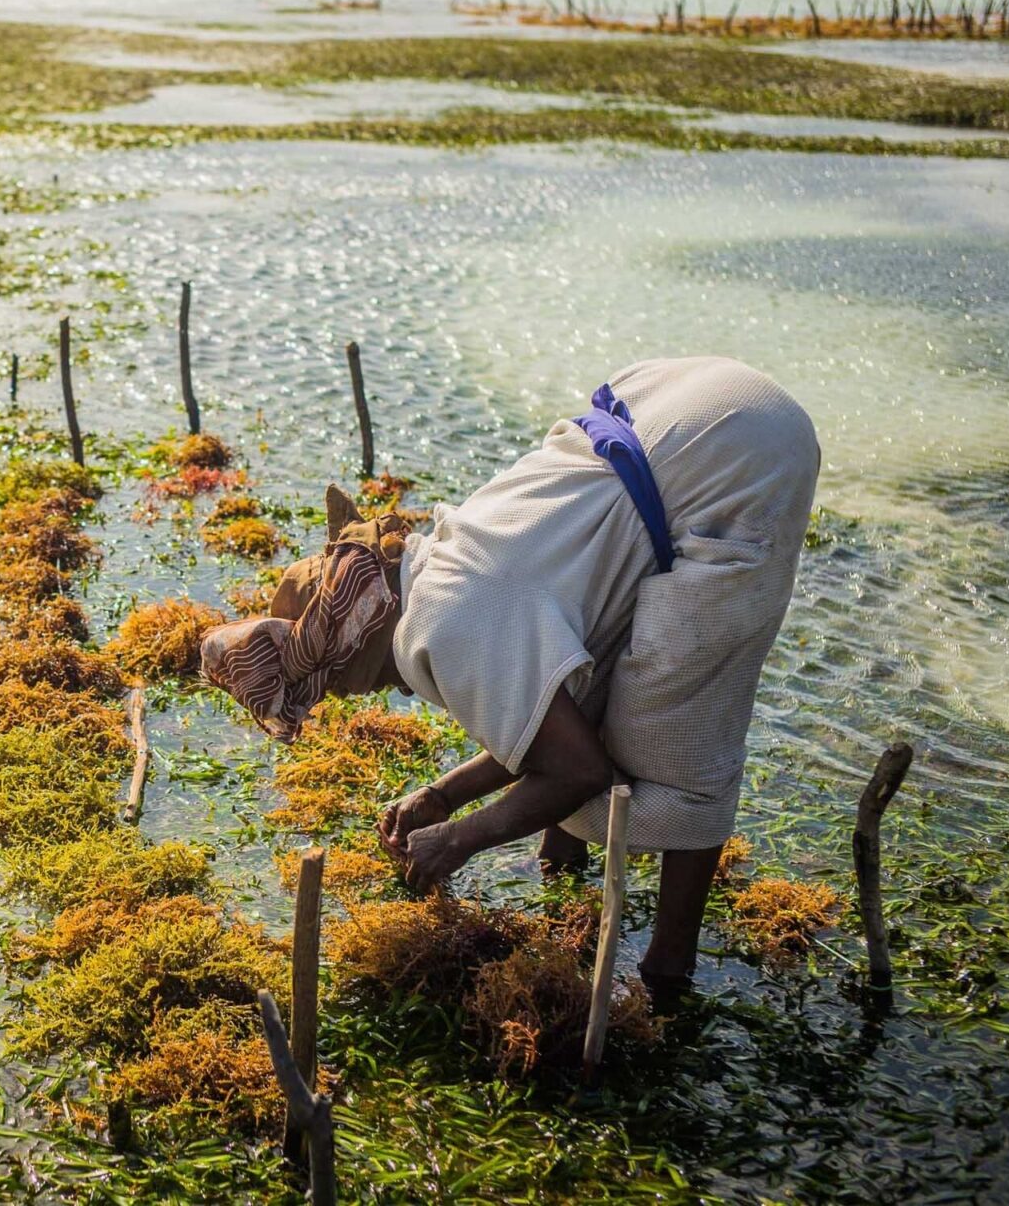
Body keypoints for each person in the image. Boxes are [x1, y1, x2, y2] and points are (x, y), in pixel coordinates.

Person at [201, 357, 819, 994]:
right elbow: (548, 706)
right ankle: (562, 863)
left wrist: (463, 837)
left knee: (678, 742)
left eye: (366, 680)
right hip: (682, 400)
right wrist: (442, 795)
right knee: (592, 688)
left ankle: (668, 969)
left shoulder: (443, 626)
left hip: (740, 461)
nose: (386, 690)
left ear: (364, 641)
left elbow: (579, 769)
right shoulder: (444, 555)